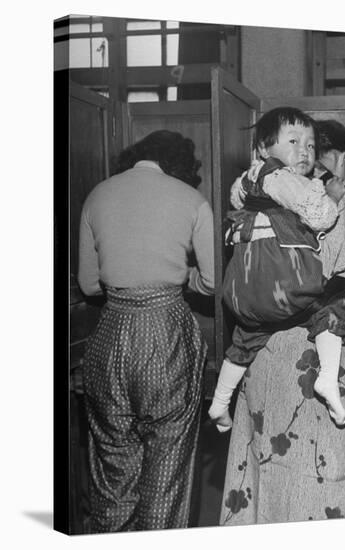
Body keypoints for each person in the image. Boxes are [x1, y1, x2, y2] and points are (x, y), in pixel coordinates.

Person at [219, 118, 345, 524]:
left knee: (261, 473)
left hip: (263, 352)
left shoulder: (271, 198)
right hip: (326, 355)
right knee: (324, 480)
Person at [78, 130, 214, 532]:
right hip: (166, 332)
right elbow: (210, 281)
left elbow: (88, 285)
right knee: (167, 464)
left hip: (110, 335)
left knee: (112, 462)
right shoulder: (192, 200)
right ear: (179, 165)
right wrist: (177, 275)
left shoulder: (97, 195)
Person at [208, 107, 345, 432]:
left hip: (246, 293)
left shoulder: (248, 180)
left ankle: (219, 402)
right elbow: (319, 217)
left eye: (311, 144)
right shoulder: (281, 177)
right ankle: (328, 379)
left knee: (246, 338)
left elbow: (237, 198)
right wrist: (330, 195)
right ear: (262, 148)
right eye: (293, 141)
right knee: (332, 303)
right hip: (283, 285)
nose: (304, 150)